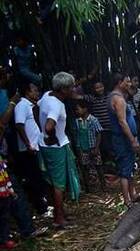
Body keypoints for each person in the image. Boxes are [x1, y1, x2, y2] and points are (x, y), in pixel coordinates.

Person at [38, 71, 81, 228]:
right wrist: (53, 137)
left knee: (54, 183)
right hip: (56, 148)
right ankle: (59, 220)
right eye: (71, 87)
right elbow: (50, 125)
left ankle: (59, 213)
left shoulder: (47, 95)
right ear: (63, 89)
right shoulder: (57, 105)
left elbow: (36, 109)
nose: (73, 90)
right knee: (59, 185)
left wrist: (43, 133)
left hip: (45, 145)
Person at [108, 73, 140, 207]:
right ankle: (127, 200)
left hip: (123, 138)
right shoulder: (118, 99)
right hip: (123, 139)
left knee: (129, 167)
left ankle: (132, 195)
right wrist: (132, 140)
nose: (129, 84)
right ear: (119, 83)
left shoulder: (115, 96)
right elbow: (122, 122)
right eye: (127, 82)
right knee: (124, 170)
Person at [14, 82, 48, 213]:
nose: (37, 93)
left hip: (35, 147)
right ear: (27, 92)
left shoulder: (30, 105)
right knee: (34, 178)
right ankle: (40, 207)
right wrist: (28, 144)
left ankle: (42, 205)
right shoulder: (22, 105)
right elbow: (19, 125)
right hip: (29, 149)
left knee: (39, 177)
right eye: (34, 90)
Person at [73, 99, 105, 192]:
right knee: (85, 168)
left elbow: (99, 133)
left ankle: (103, 186)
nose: (76, 111)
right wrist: (79, 148)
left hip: (93, 147)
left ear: (85, 109)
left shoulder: (93, 120)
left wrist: (96, 147)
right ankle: (88, 188)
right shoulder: (77, 121)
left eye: (78, 109)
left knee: (98, 166)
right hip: (83, 148)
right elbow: (78, 135)